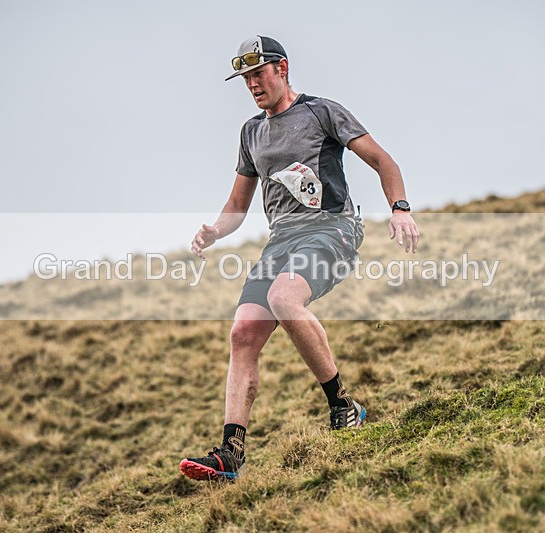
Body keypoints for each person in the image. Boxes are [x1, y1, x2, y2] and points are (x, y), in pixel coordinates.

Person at [180, 35, 419, 481]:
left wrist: (400, 208)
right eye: (246, 78)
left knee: (285, 299)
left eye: (259, 74)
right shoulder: (251, 132)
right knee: (242, 334)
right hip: (282, 241)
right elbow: (237, 206)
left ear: (282, 69)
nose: (252, 84)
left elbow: (383, 160)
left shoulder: (321, 112)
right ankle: (231, 454)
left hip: (333, 228)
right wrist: (215, 230)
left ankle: (343, 406)